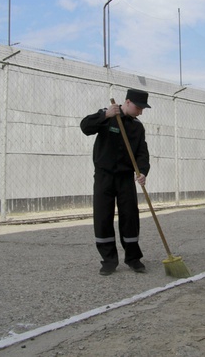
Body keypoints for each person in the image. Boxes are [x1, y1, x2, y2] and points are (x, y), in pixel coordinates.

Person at [80, 89, 151, 276]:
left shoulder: (137, 127)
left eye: (143, 109)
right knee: (103, 217)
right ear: (127, 102)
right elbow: (85, 127)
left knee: (130, 217)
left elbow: (142, 153)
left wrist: (142, 172)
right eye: (138, 107)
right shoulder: (108, 115)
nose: (140, 112)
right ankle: (109, 261)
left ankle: (133, 259)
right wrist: (105, 115)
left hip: (125, 178)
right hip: (104, 177)